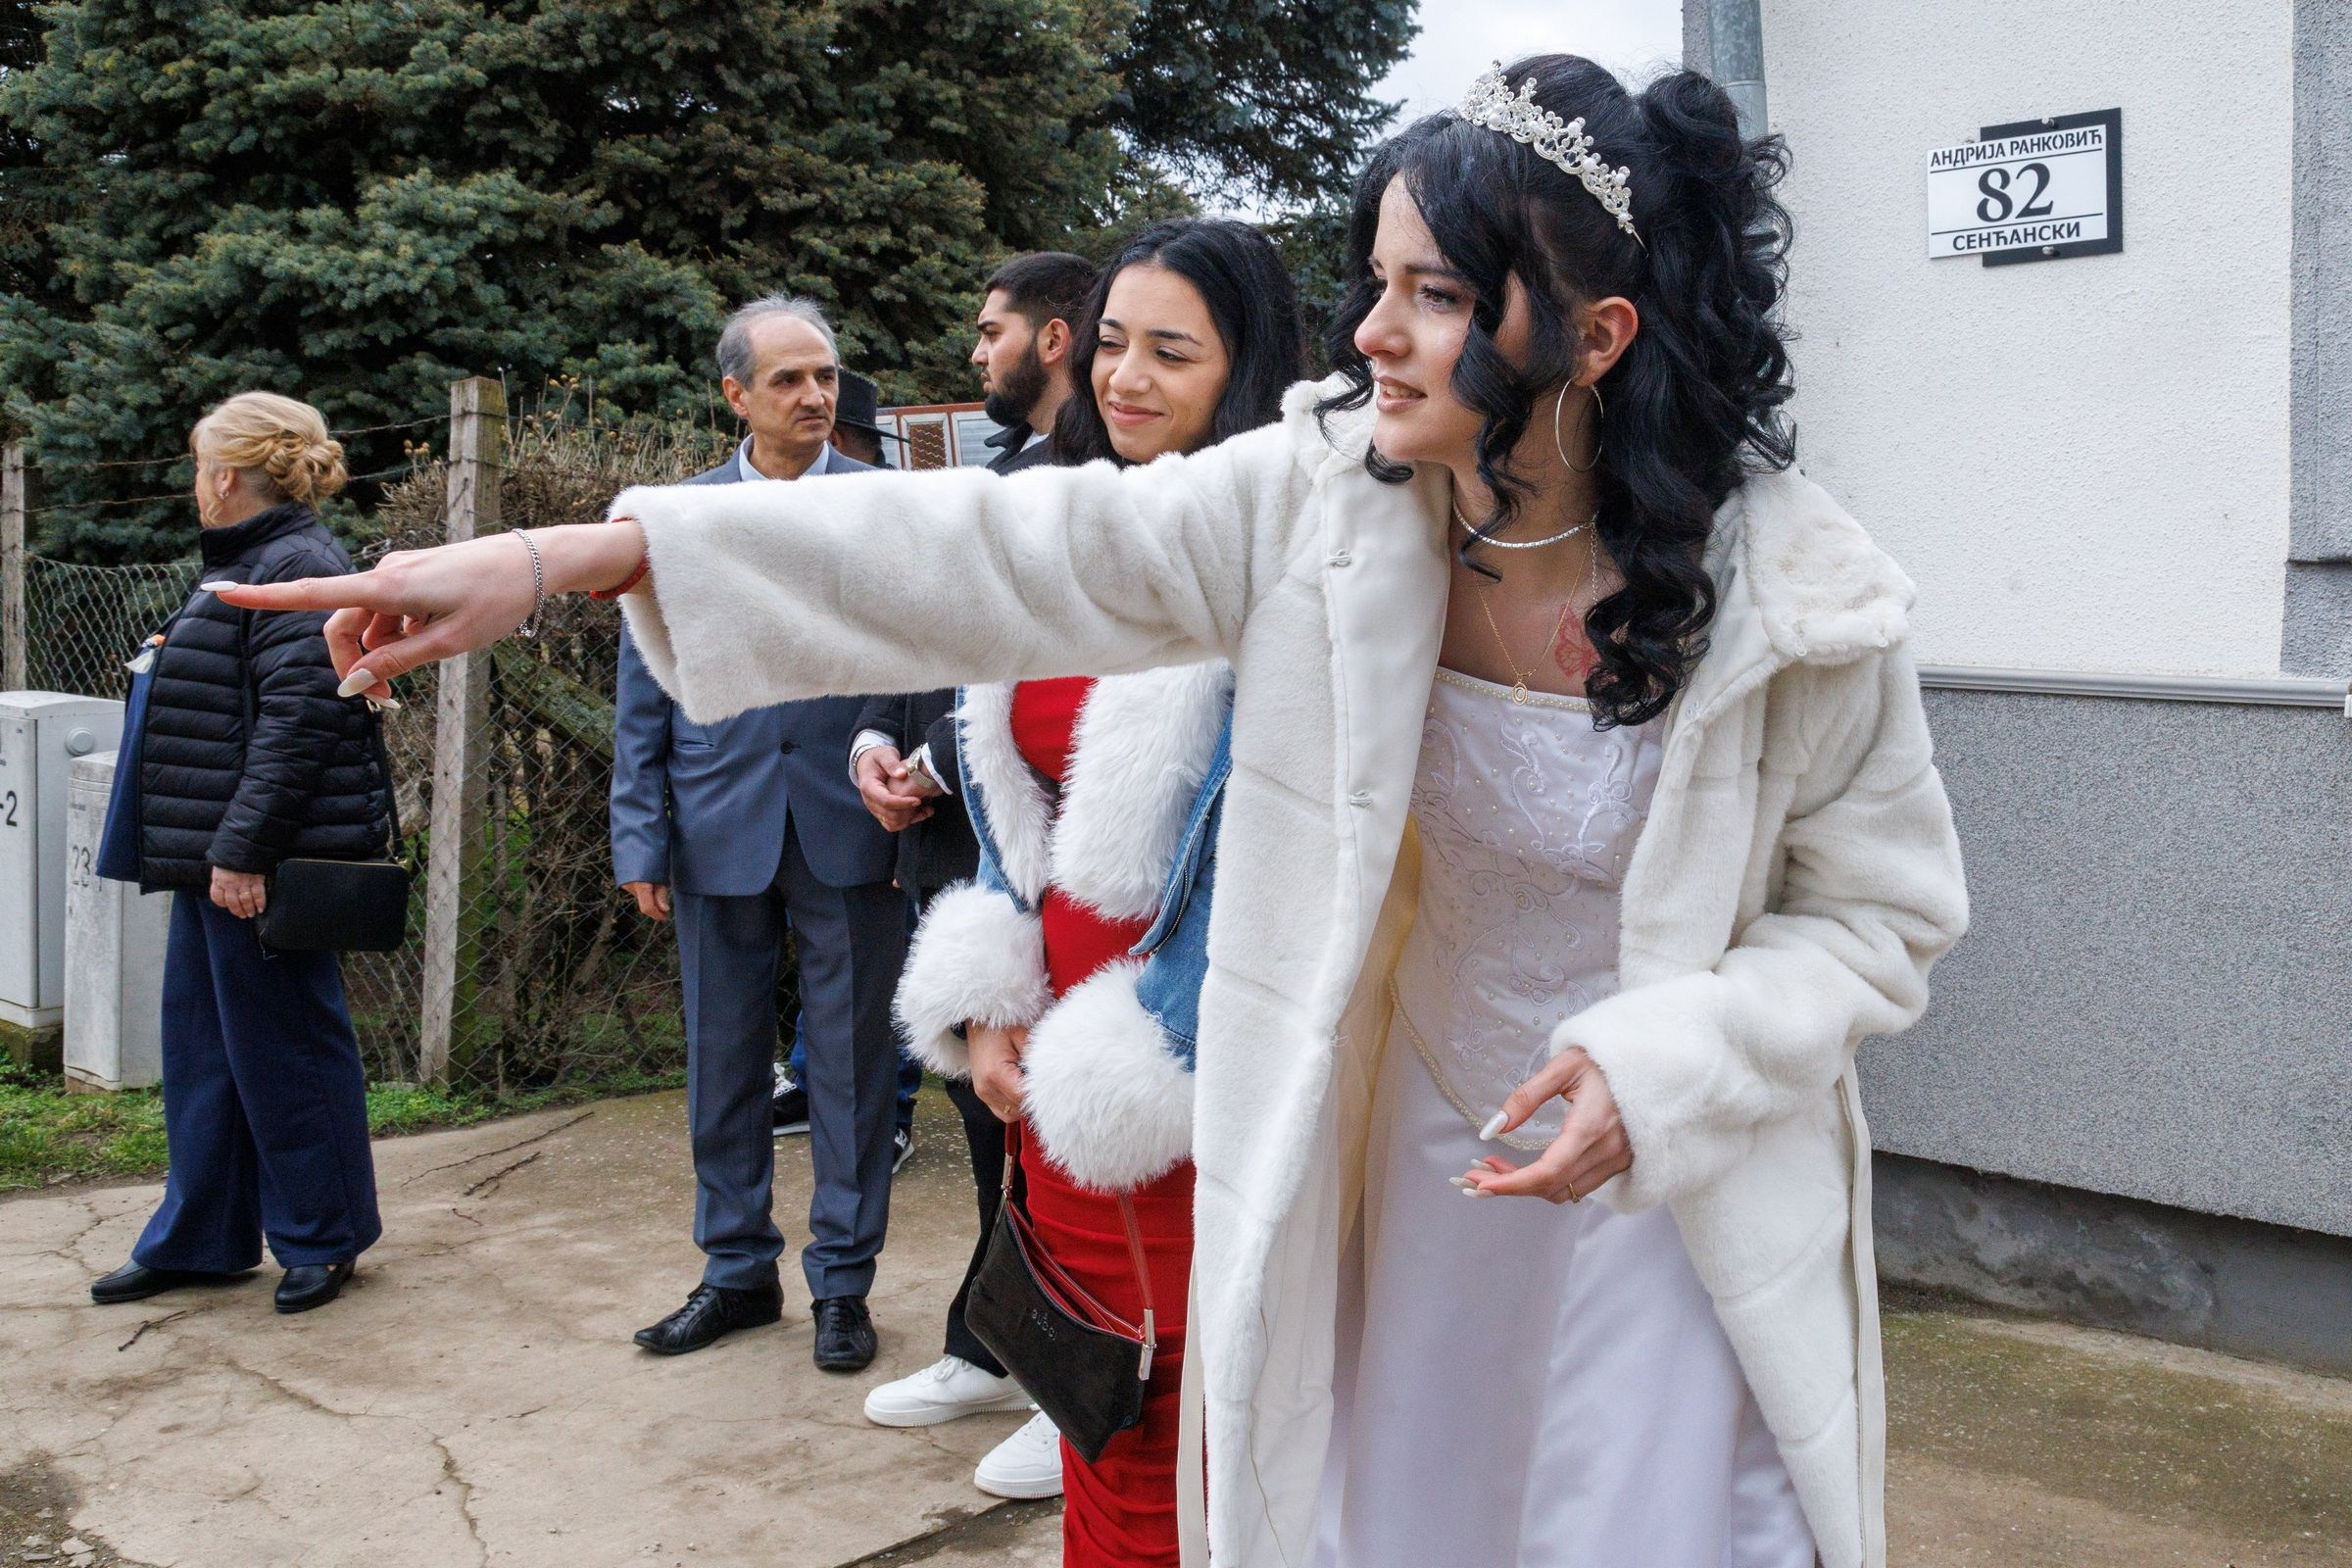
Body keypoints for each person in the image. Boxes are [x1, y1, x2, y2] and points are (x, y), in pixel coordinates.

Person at [230, 57, 1971, 1568]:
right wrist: (579, 555)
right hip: (1409, 1173)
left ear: (1595, 337)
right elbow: (998, 550)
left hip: (1673, 1196)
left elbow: (1879, 919)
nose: (1370, 331)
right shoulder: (1328, 503)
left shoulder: (1799, 604)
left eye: (1435, 295)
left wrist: (1665, 1066)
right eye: (1376, 279)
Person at [867, 221, 1302, 1540]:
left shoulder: (1286, 575)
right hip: (1047, 1074)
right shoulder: (1064, 541)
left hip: (1198, 1075)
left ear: (1248, 370)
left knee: (1205, 1448)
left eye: (1172, 352)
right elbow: (1014, 830)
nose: (1125, 379)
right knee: (1097, 1423)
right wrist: (990, 998)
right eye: (1112, 341)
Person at [610, 295, 908, 1371]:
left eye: (825, 375)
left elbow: (919, 666)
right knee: (722, 1064)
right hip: (714, 825)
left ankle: (843, 1283)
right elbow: (644, 683)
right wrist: (639, 835)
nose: (815, 397)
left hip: (852, 824)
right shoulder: (671, 517)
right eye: (788, 379)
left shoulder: (888, 507)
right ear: (734, 394)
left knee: (853, 1069)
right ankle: (735, 1274)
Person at [90, 392, 388, 1317]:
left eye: (196, 467)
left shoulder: (297, 566)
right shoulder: (252, 562)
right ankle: (203, 1240)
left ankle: (323, 1237)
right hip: (214, 857)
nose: (194, 483)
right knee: (209, 1054)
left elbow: (303, 721)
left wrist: (244, 851)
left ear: (225, 475)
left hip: (257, 862)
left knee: (286, 1050)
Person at [969, 251, 1098, 473]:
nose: (977, 356)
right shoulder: (1023, 448)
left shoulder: (1074, 478)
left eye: (992, 334)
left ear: (1053, 341)